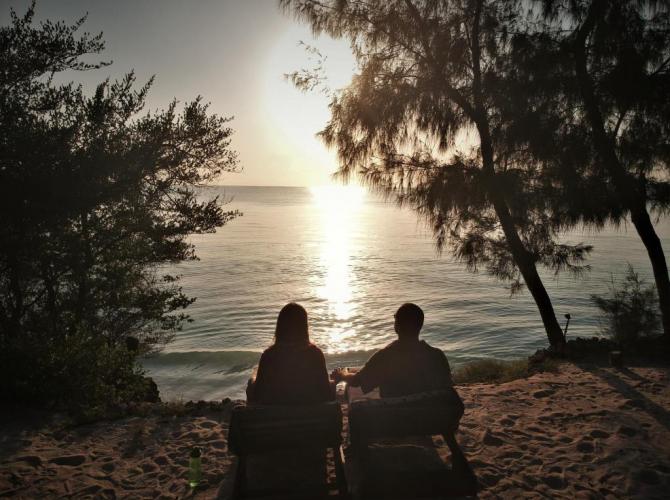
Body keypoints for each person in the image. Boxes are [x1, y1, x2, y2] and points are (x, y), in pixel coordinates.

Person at [332, 303, 453, 397]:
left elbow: (357, 381)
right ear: (420, 325)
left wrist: (342, 374)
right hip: (430, 419)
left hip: (396, 421)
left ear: (397, 325)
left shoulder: (386, 357)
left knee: (352, 391)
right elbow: (446, 387)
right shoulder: (437, 356)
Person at [246, 302, 334, 405]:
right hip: (311, 415)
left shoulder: (269, 355)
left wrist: (252, 380)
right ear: (304, 327)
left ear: (280, 327)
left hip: (273, 416)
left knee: (251, 383)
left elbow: (257, 394)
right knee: (331, 385)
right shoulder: (315, 354)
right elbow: (326, 392)